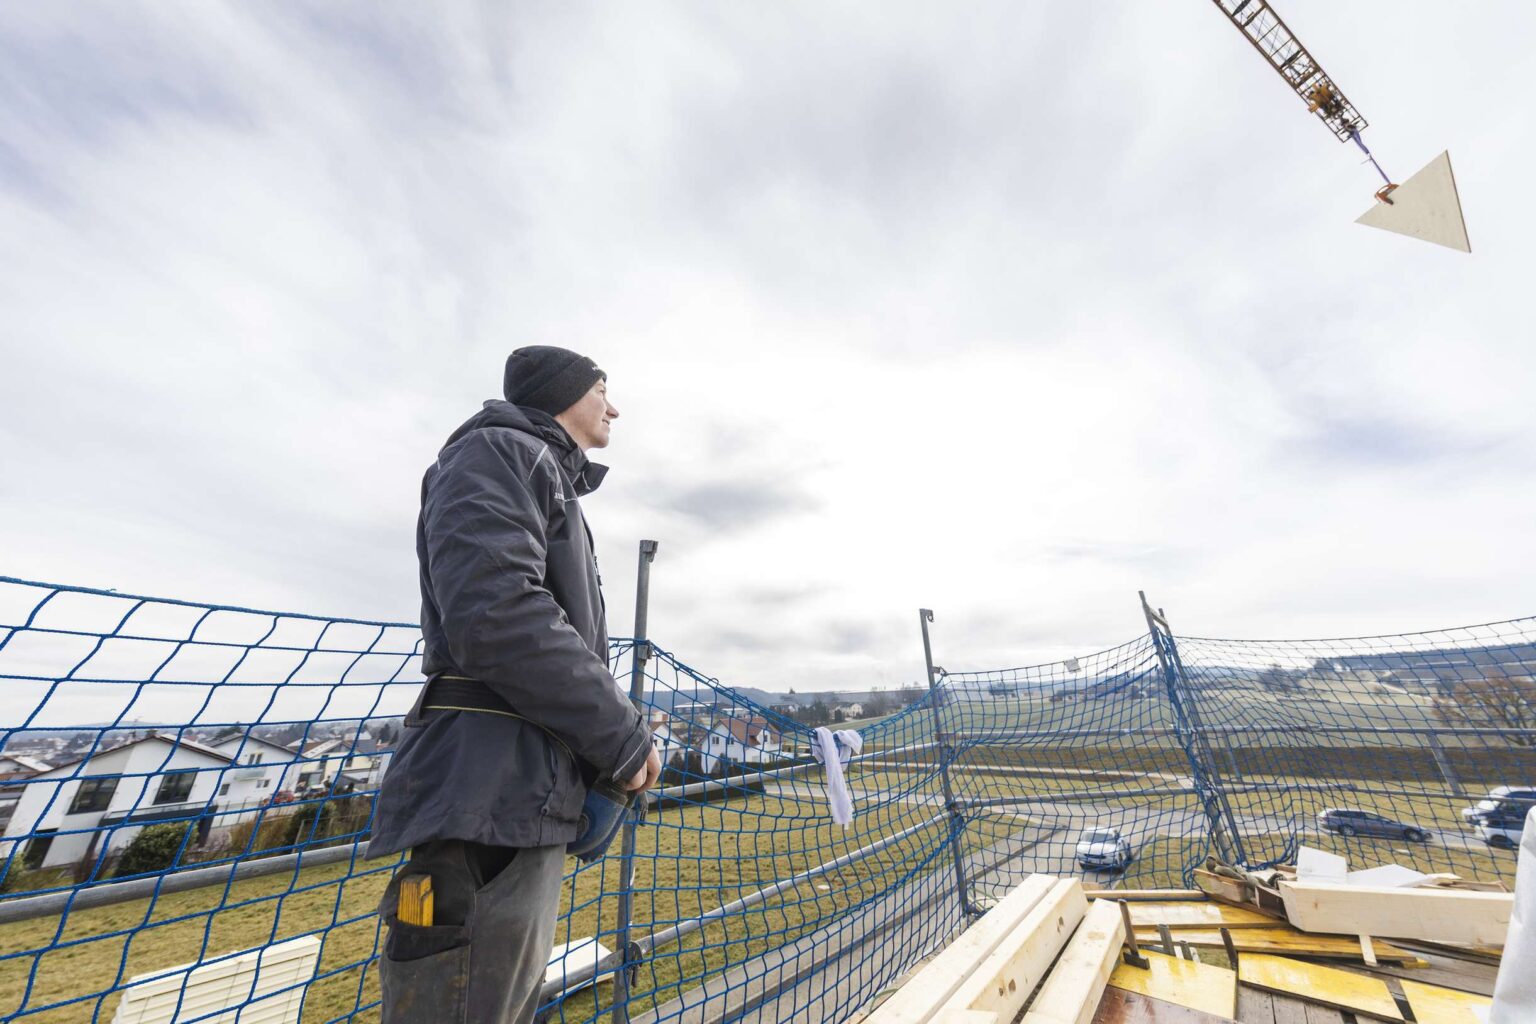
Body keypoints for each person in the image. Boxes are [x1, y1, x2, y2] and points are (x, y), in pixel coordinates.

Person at [368, 346, 662, 1024]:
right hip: (486, 802)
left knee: (471, 984)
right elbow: (496, 612)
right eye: (601, 390)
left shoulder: (537, 469)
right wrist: (621, 736)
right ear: (562, 393)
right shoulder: (500, 453)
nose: (613, 407)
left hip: (497, 798)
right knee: (456, 986)